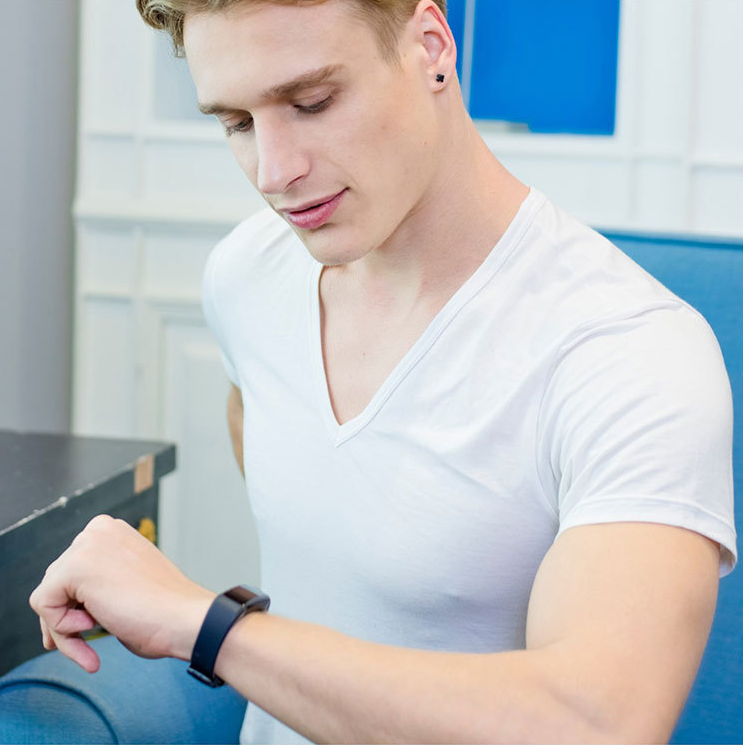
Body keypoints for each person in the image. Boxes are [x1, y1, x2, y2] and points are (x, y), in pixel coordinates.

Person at [29, 1, 736, 742]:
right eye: (236, 121)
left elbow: (599, 726)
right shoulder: (245, 276)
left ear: (431, 45)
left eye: (312, 102)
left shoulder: (624, 351)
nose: (274, 172)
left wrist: (204, 626)